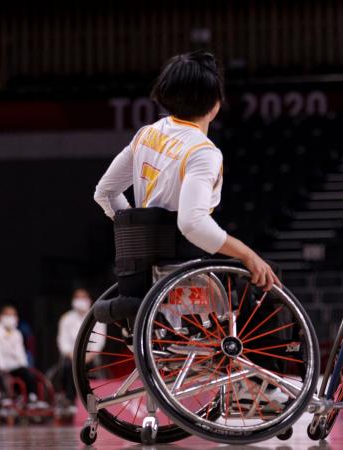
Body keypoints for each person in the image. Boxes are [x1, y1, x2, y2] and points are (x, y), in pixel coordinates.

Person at [92, 51, 285, 408]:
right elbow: (192, 223)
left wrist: (137, 232)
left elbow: (104, 193)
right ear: (216, 103)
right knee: (266, 282)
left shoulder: (146, 135)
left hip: (141, 275)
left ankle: (248, 382)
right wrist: (247, 254)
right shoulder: (203, 151)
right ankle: (254, 383)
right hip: (185, 280)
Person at [0, 304, 44, 406]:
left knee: (29, 375)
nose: (11, 318)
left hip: (14, 366)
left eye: (13, 315)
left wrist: (24, 367)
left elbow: (20, 353)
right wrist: (2, 368)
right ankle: (1, 396)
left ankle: (32, 398)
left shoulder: (17, 333)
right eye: (7, 315)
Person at [56, 288, 105, 408]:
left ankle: (92, 399)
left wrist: (87, 357)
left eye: (83, 298)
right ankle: (70, 400)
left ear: (89, 300)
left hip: (90, 356)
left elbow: (99, 341)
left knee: (92, 368)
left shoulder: (96, 317)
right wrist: (72, 356)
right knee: (68, 367)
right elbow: (63, 341)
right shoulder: (66, 318)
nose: (80, 301)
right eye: (78, 298)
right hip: (71, 355)